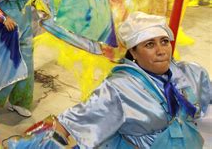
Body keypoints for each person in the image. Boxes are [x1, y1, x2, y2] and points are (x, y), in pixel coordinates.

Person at [11, 12, 210, 147]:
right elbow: (68, 124)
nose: (161, 51)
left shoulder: (191, 73)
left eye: (164, 41)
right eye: (150, 44)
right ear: (134, 52)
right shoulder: (119, 89)